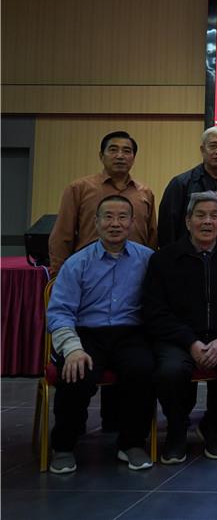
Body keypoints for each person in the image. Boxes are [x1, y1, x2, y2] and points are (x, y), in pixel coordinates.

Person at [143, 191, 217, 464]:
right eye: (200, 215)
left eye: (214, 215)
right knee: (170, 371)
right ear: (187, 221)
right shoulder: (163, 259)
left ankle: (214, 426)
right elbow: (155, 312)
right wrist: (190, 342)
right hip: (179, 340)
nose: (207, 221)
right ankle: (176, 430)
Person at [45, 195, 156, 474]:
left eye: (122, 217)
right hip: (87, 334)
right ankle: (63, 446)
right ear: (96, 223)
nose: (115, 224)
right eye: (108, 217)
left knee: (143, 369)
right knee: (76, 373)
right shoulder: (77, 263)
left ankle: (132, 443)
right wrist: (72, 348)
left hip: (130, 334)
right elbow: (59, 312)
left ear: (132, 223)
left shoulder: (147, 259)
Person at [49, 131, 157, 274]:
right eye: (113, 150)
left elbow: (152, 238)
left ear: (133, 158)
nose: (120, 156)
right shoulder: (79, 189)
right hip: (89, 272)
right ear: (101, 156)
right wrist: (58, 274)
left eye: (126, 151)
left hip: (135, 273)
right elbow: (62, 236)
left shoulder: (145, 193)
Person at [159, 126, 217, 247]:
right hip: (184, 254)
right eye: (213, 146)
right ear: (202, 150)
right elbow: (167, 228)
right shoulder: (180, 184)